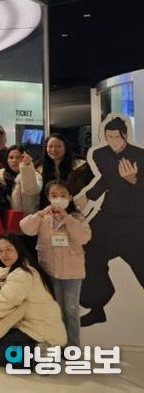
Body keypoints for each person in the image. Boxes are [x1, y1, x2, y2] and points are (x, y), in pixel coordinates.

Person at [80, 116, 144, 327]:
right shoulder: (100, 154)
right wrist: (87, 196)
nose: (113, 141)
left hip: (135, 221)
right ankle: (97, 307)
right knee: (89, 256)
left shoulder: (140, 155)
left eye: (117, 137)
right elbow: (107, 179)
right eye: (109, 137)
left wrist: (134, 181)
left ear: (125, 135)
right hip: (108, 218)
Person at [0, 234, 67, 366]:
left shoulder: (22, 275)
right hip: (35, 327)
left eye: (8, 249)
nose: (4, 255)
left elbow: (0, 305)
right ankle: (39, 351)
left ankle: (40, 355)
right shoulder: (24, 269)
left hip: (39, 330)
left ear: (18, 249)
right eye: (0, 251)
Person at [20, 180, 91, 346]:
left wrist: (66, 218)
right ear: (48, 197)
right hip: (49, 270)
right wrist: (41, 213)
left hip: (72, 273)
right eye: (54, 195)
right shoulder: (43, 217)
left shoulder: (77, 217)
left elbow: (83, 238)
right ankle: (57, 344)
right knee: (54, 310)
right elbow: (25, 228)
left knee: (71, 310)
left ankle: (72, 346)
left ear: (70, 197)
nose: (58, 199)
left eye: (63, 195)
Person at [37, 133, 85, 208]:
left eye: (58, 146)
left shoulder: (79, 166)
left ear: (65, 148)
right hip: (48, 208)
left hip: (74, 208)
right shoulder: (39, 168)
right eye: (50, 146)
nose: (53, 149)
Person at [0, 145, 42, 215]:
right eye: (11, 157)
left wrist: (27, 167)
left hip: (30, 218)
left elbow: (32, 190)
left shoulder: (35, 175)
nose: (14, 160)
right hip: (8, 218)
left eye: (18, 157)